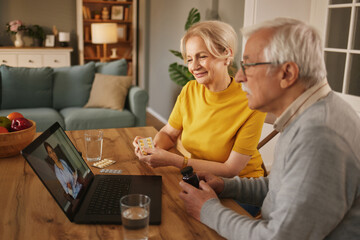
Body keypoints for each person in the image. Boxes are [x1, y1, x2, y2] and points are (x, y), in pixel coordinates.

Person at [178, 17, 360, 239]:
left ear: (287, 74)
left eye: (249, 66)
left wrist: (207, 210)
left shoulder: (319, 137)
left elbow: (277, 237)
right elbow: (280, 187)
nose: (241, 77)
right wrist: (226, 186)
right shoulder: (307, 115)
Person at [133, 20, 266, 179]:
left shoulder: (252, 101)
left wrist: (173, 160)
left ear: (227, 55)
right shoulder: (190, 89)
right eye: (189, 59)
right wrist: (152, 150)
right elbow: (169, 134)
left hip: (240, 187)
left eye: (202, 56)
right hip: (198, 177)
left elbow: (231, 170)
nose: (194, 66)